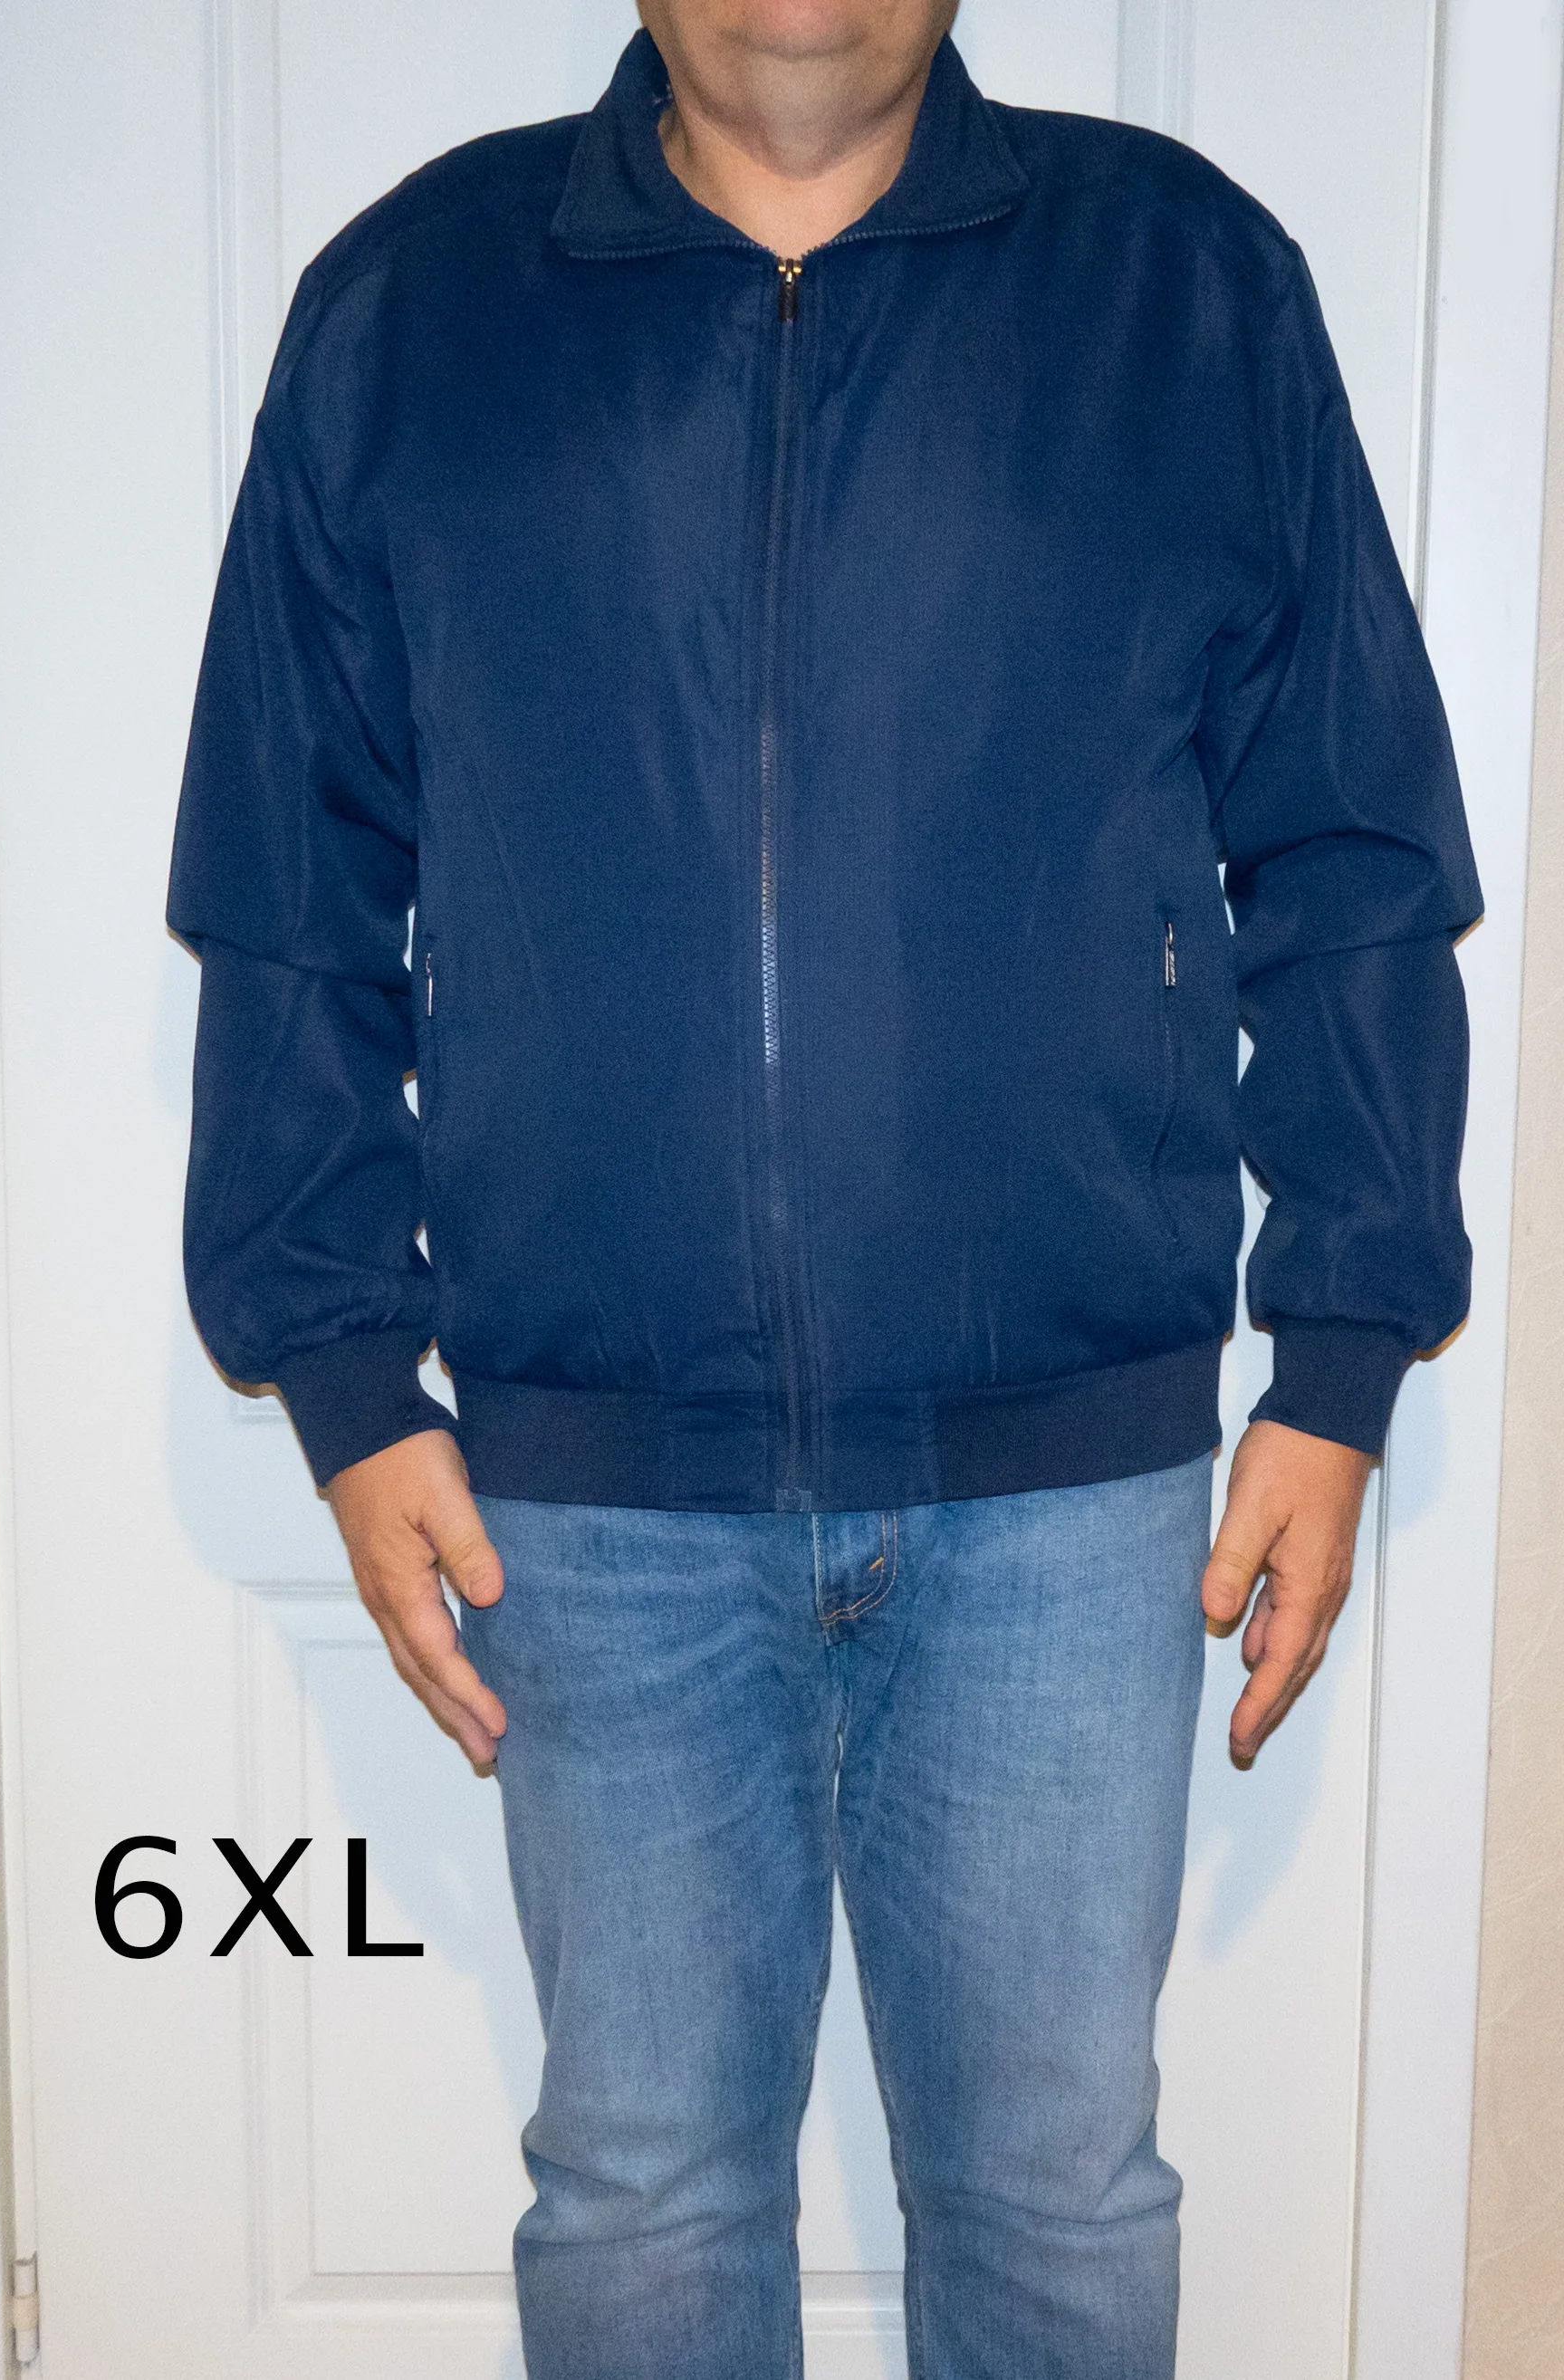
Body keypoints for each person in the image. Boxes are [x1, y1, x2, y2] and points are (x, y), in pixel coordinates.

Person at [167, 2, 1479, 2373]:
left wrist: (1347, 1352)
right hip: (594, 1503)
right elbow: (287, 887)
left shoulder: (1183, 293)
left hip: (1073, 1487)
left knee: (1059, 2202)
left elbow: (1356, 851)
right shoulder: (413, 315)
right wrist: (345, 1371)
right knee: (642, 2202)